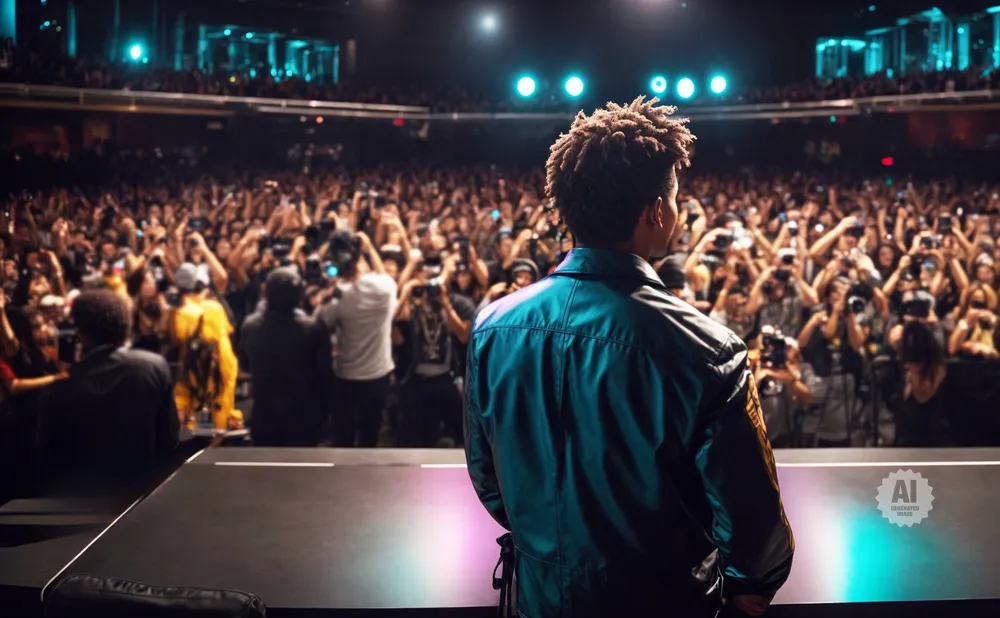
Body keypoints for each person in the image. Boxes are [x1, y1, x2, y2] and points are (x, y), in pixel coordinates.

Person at [465, 97, 794, 618]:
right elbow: (753, 525)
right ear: (656, 211)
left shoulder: (492, 327)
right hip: (663, 603)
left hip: (537, 599)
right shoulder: (708, 350)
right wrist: (752, 578)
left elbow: (490, 481)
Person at [37, 290, 178, 500]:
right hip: (141, 496)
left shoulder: (61, 385)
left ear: (82, 333)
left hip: (78, 501)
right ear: (125, 325)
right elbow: (168, 439)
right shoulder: (153, 366)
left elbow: (46, 455)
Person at [315, 230, 397, 447]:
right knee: (370, 433)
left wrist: (326, 292)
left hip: (346, 376)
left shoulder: (340, 296)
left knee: (344, 434)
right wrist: (369, 248)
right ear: (360, 257)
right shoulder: (385, 289)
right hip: (378, 374)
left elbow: (322, 321)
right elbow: (385, 277)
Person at [241, 267, 334, 446]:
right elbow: (324, 375)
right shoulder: (313, 328)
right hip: (303, 417)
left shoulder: (250, 326)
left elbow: (245, 365)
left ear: (266, 292)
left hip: (265, 415)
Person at [169, 262, 242, 433]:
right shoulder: (210, 308)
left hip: (210, 376)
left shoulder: (186, 311)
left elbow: (176, 339)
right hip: (200, 376)